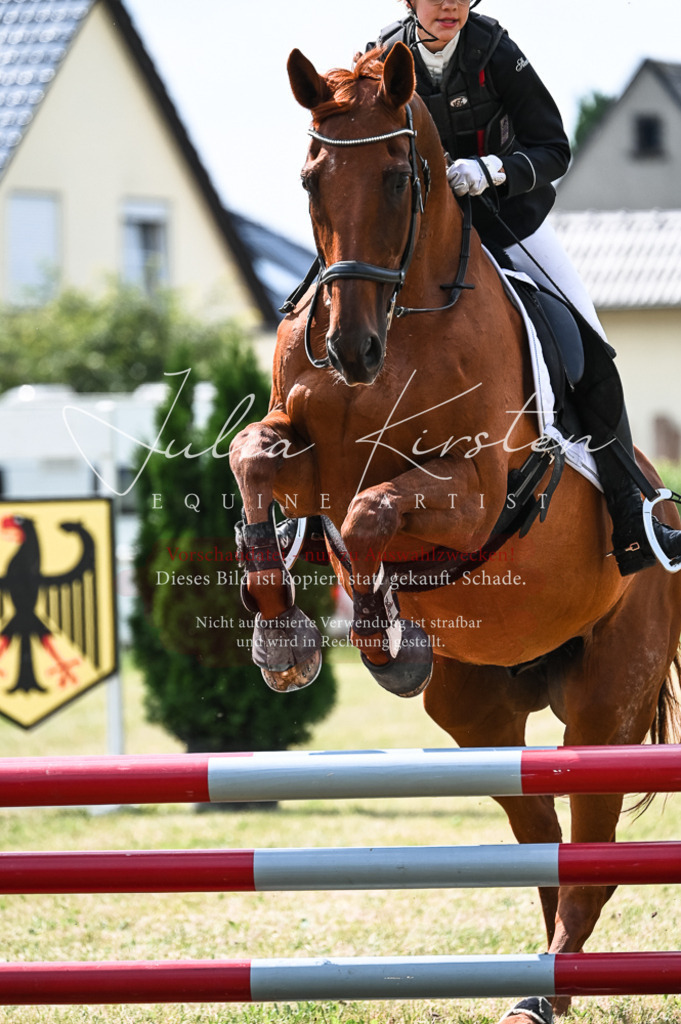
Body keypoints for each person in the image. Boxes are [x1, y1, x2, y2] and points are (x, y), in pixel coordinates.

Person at [359, 0, 681, 576]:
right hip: (420, 244)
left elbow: (554, 147)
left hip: (508, 224)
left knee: (590, 346)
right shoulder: (381, 57)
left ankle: (633, 515)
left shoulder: (493, 50)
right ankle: (310, 510)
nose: (451, 5)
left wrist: (493, 170)